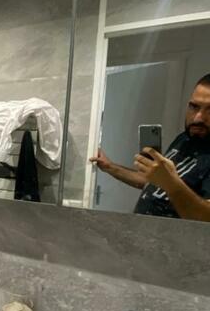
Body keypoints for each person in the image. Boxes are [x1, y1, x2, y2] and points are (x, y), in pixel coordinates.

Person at [90, 73, 210, 221]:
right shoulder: (185, 139)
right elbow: (155, 182)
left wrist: (170, 183)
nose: (198, 117)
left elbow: (207, 218)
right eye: (194, 106)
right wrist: (109, 167)